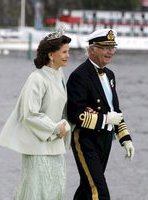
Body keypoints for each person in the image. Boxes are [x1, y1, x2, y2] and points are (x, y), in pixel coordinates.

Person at [0, 28, 71, 200]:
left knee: (56, 191)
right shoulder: (36, 79)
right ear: (51, 55)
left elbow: (62, 109)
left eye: (68, 52)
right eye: (64, 52)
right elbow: (29, 113)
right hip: (37, 146)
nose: (68, 55)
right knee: (36, 193)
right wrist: (54, 129)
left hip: (56, 146)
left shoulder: (60, 75)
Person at [66, 29, 135, 200]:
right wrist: (105, 119)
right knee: (99, 190)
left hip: (105, 139)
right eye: (105, 47)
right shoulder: (79, 76)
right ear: (92, 49)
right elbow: (75, 114)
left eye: (113, 47)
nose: (111, 51)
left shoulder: (110, 75)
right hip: (85, 139)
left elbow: (115, 110)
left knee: (87, 188)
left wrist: (125, 139)